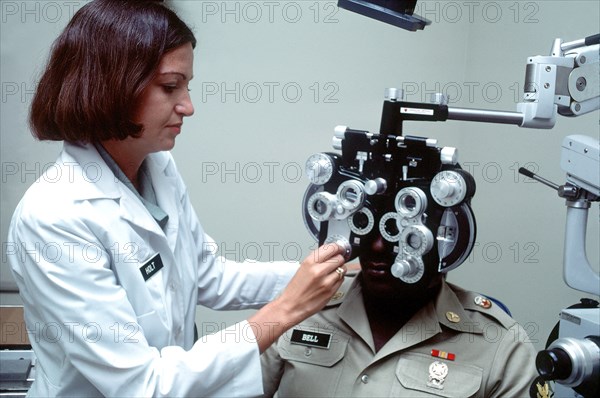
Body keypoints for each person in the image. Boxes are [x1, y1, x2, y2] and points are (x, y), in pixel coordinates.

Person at [7, 1, 347, 396]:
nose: (188, 106)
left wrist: (329, 274)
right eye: (170, 87)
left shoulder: (158, 166)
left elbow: (209, 278)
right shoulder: (54, 217)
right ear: (114, 84)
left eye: (186, 86)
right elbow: (142, 385)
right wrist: (284, 311)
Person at [261, 232, 539, 397]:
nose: (378, 245)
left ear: (448, 241)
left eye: (401, 231)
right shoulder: (301, 308)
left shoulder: (501, 345)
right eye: (370, 225)